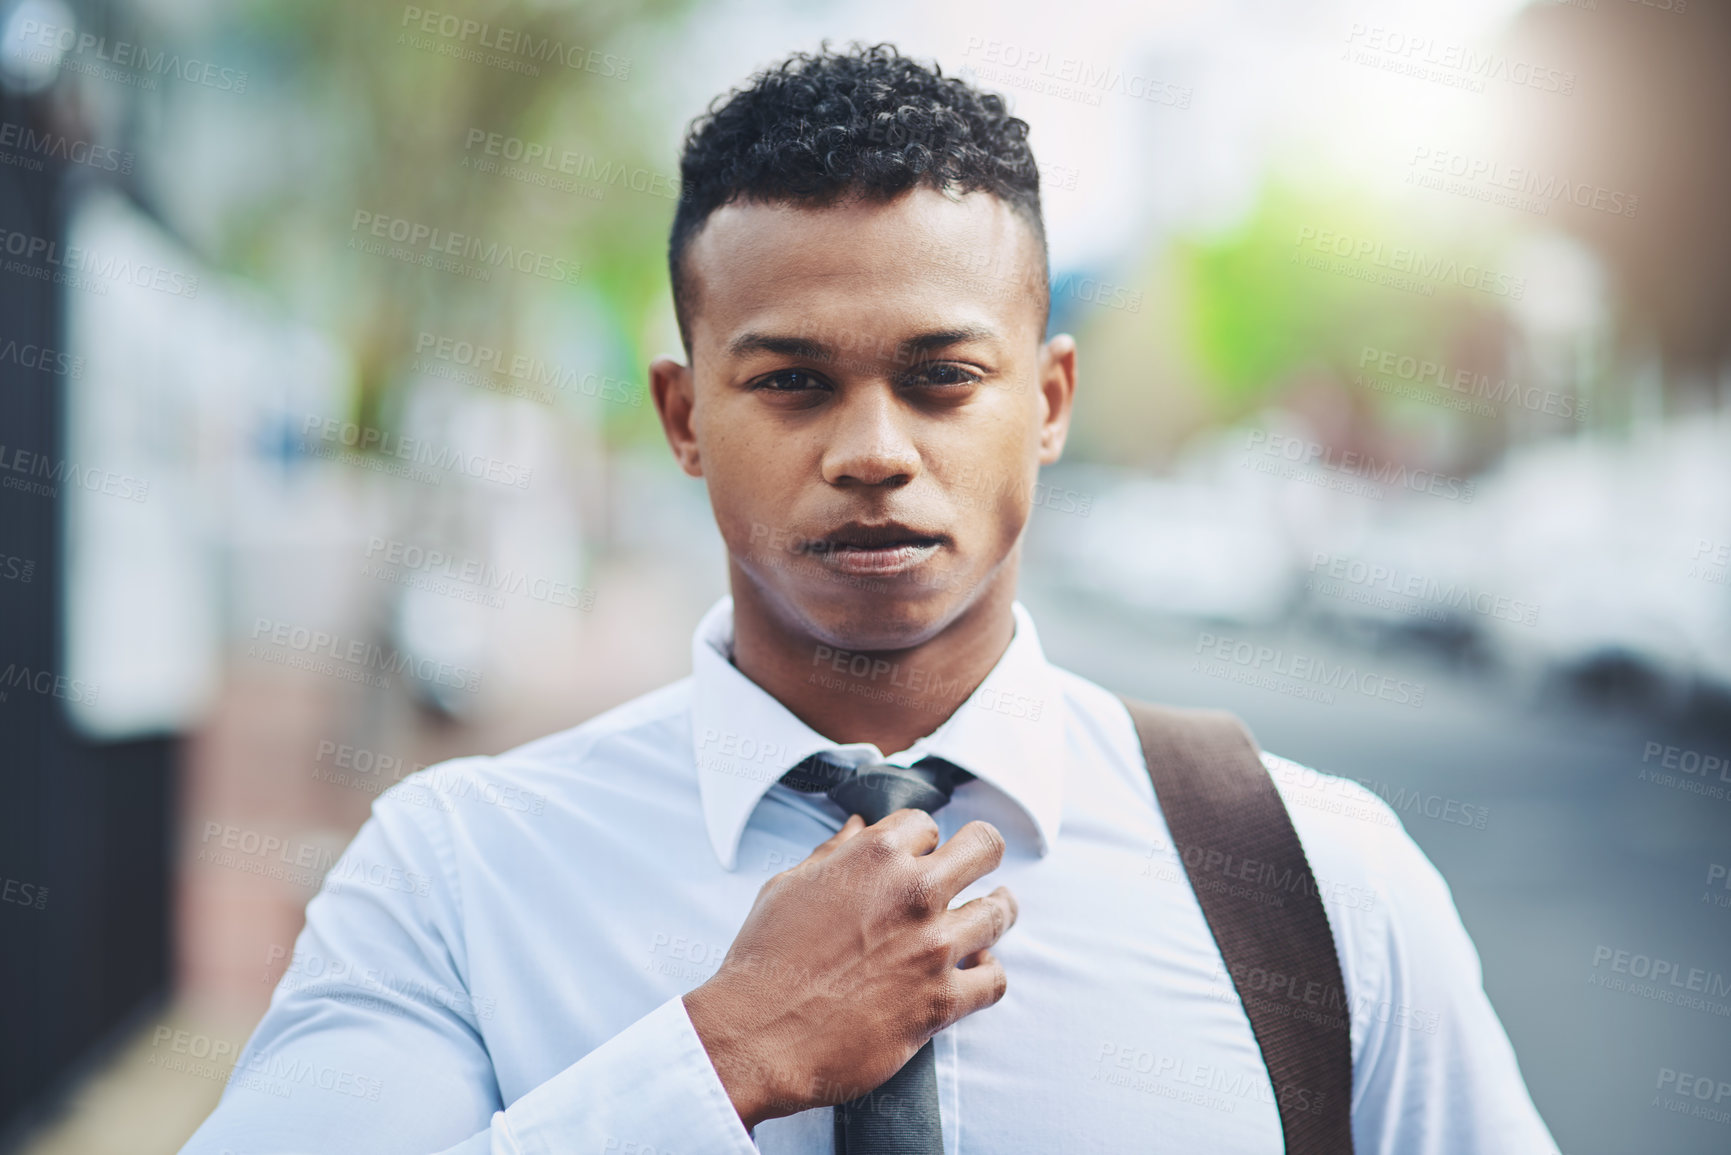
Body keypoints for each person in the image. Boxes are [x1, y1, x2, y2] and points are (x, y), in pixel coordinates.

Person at [179, 42, 1559, 1154]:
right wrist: (722, 1058)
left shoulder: (1318, 876)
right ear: (682, 416)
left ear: (1052, 401)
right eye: (791, 380)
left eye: (942, 377)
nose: (875, 452)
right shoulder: (456, 874)